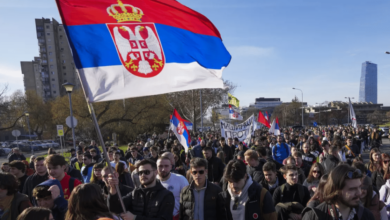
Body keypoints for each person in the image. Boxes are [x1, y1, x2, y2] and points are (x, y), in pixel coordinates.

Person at [107, 159, 175, 220]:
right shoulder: (135, 192)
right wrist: (113, 188)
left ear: (155, 172)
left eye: (146, 172)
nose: (142, 175)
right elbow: (114, 208)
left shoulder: (166, 195)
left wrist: (135, 218)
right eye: (140, 173)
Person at [302, 165, 374, 220]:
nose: (359, 193)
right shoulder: (314, 216)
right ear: (336, 190)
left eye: (359, 187)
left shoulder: (366, 215)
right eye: (352, 189)